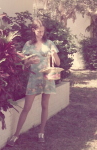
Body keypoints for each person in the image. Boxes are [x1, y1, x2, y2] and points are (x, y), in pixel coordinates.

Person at [7, 18, 60, 146]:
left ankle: (41, 132)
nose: (41, 33)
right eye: (38, 31)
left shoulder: (50, 43)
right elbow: (23, 64)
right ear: (33, 30)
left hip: (47, 77)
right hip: (33, 79)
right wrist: (30, 61)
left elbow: (58, 63)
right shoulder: (28, 45)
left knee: (45, 106)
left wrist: (53, 54)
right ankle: (16, 135)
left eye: (42, 31)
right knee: (26, 107)